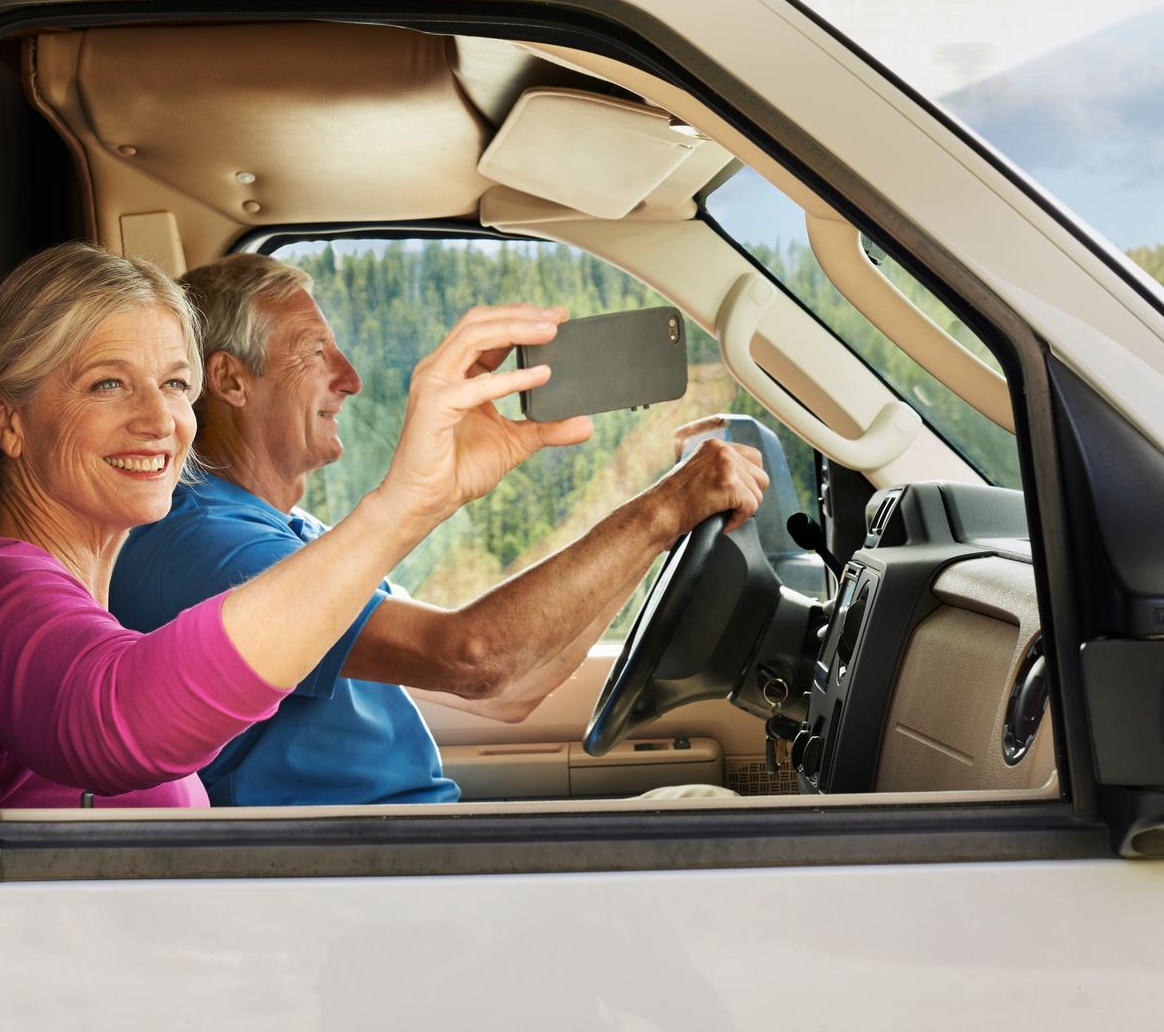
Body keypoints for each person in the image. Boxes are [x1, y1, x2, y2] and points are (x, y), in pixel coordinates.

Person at [111, 253, 770, 806]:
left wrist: (654, 536)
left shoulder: (289, 530)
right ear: (229, 378)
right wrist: (659, 513)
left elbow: (513, 690)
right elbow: (471, 659)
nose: (351, 378)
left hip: (402, 857)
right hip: (347, 886)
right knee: (715, 816)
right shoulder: (204, 546)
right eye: (317, 352)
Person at [0, 241, 590, 808]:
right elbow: (117, 724)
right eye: (108, 384)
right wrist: (406, 504)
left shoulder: (73, 595)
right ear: (6, 420)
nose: (160, 419)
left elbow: (504, 685)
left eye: (174, 385)